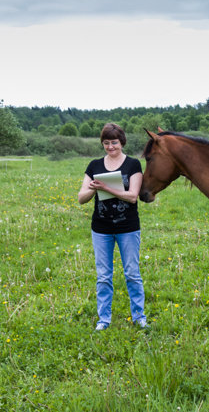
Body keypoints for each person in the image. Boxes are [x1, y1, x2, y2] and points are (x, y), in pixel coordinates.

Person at [78, 123, 148, 330]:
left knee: (132, 273)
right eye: (106, 143)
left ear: (122, 142)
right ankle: (104, 319)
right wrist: (92, 189)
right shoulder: (94, 166)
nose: (110, 147)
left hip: (128, 227)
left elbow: (133, 197)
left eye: (114, 142)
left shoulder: (133, 165)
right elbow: (81, 198)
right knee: (103, 276)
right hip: (101, 228)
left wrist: (106, 187)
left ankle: (139, 316)